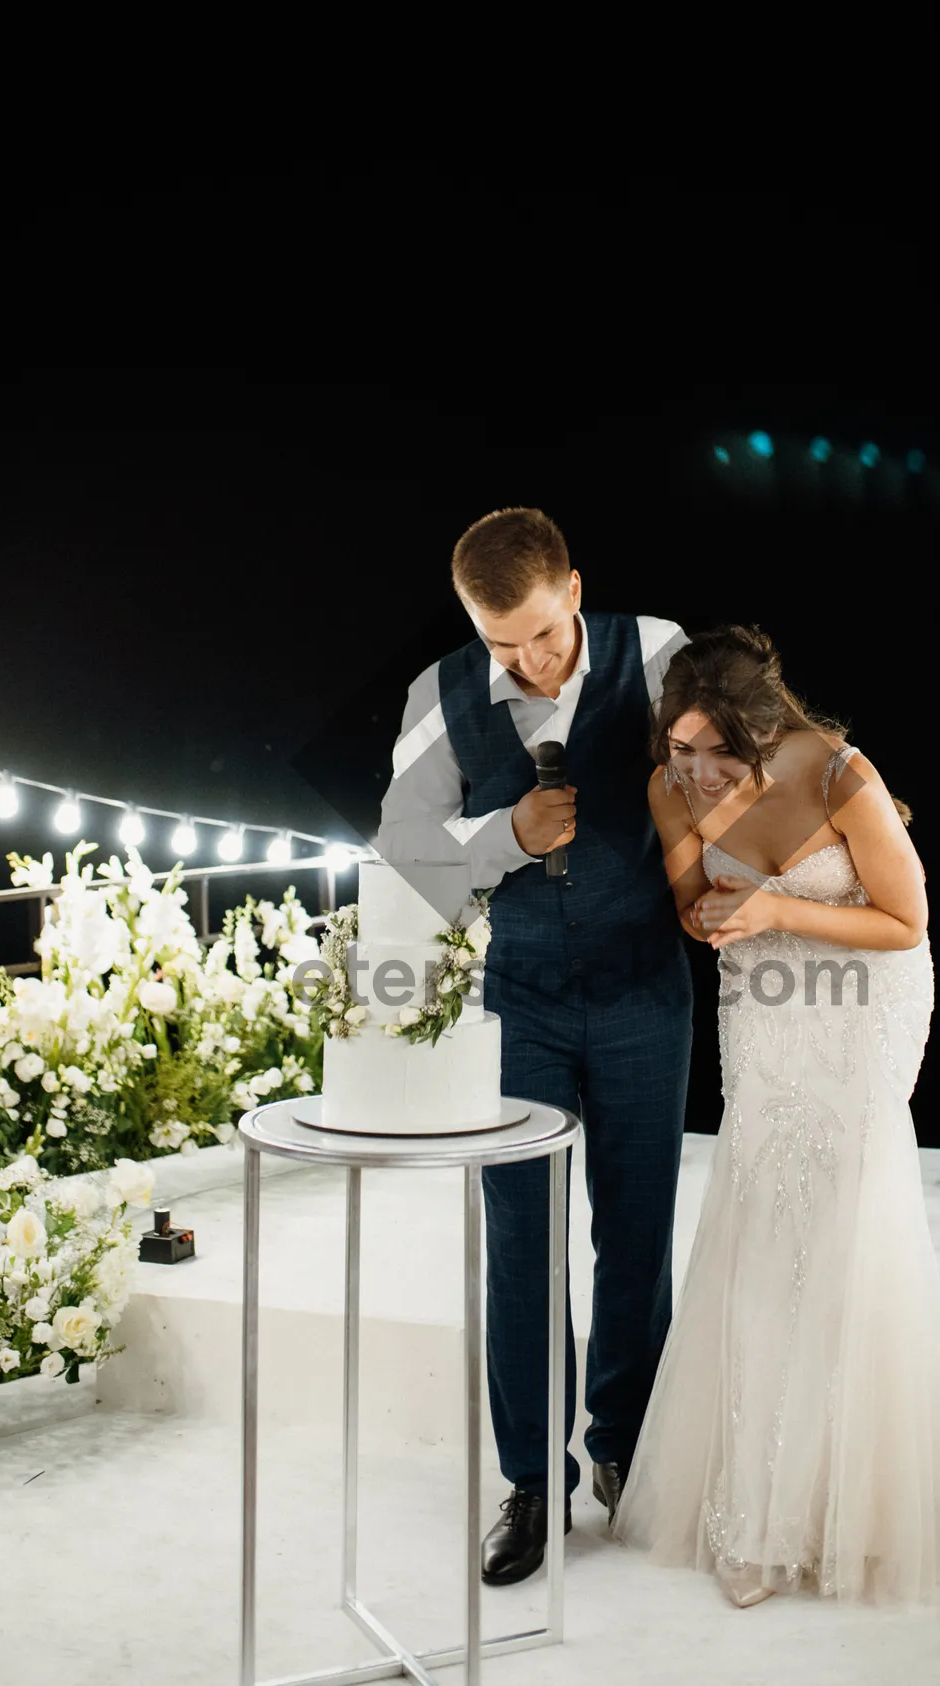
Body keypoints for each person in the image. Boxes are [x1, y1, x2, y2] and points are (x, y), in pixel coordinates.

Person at [612, 623, 940, 1606]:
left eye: (718, 754)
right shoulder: (669, 785)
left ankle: (844, 1488)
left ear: (763, 734)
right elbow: (692, 902)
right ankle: (756, 1506)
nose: (698, 775)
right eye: (679, 753)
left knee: (846, 1223)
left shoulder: (842, 774)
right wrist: (713, 914)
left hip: (867, 998)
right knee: (762, 1220)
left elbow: (906, 922)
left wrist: (775, 910)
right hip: (761, 1004)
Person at [374, 507, 694, 1585]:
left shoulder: (658, 651)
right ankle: (531, 1482)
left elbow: (734, 771)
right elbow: (403, 847)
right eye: (501, 645)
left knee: (638, 1228)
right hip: (523, 1000)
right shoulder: (442, 694)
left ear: (573, 589)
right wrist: (505, 834)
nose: (527, 663)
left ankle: (625, 1447)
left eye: (544, 638)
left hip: (649, 985)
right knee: (522, 1243)